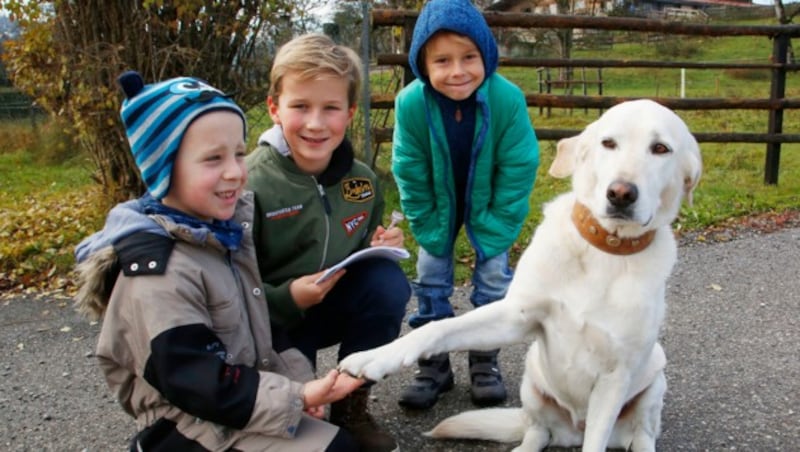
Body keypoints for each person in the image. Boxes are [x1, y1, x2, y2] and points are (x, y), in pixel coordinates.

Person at [73, 71, 365, 451]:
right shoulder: (156, 273)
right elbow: (196, 380)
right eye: (213, 159)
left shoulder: (223, 235)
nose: (234, 172)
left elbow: (265, 330)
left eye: (239, 154)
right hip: (188, 422)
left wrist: (302, 391)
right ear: (164, 171)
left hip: (236, 404)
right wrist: (298, 398)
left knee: (341, 445)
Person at [245, 34, 411, 452]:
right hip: (270, 320)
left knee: (387, 282)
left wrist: (382, 242)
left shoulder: (362, 180)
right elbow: (227, 287)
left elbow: (362, 245)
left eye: (330, 108)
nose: (316, 123)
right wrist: (287, 298)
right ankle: (291, 400)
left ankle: (352, 406)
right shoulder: (248, 183)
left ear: (350, 112)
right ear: (274, 108)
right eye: (300, 106)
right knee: (301, 431)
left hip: (329, 305)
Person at [391, 0, 540, 410]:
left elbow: (519, 164)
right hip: (438, 204)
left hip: (489, 204)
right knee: (430, 277)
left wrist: (499, 222)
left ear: (486, 56)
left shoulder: (507, 99)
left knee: (493, 279)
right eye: (442, 60)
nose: (457, 71)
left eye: (469, 57)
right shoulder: (412, 104)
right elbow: (408, 166)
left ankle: (483, 358)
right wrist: (423, 220)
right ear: (423, 64)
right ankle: (433, 362)